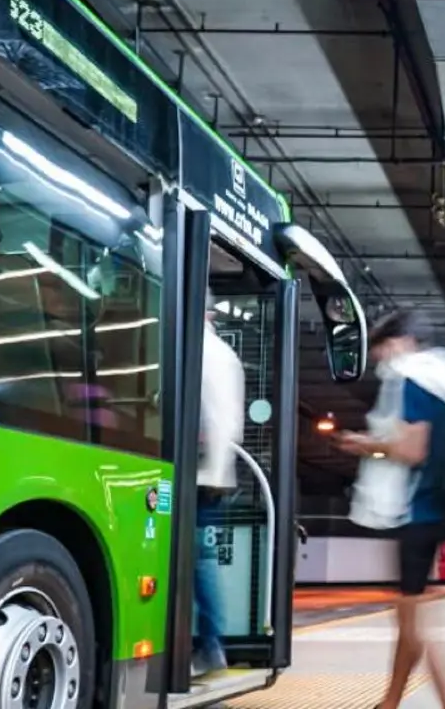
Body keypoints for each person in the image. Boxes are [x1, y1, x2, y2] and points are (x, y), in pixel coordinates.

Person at [337, 310, 445, 709]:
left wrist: (367, 445)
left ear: (397, 344)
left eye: (380, 355)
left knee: (408, 621)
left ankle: (395, 703)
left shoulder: (414, 382)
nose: (381, 365)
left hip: (416, 514)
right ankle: (432, 702)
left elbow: (412, 451)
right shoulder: (438, 381)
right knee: (411, 619)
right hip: (431, 511)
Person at [192, 288, 245, 677]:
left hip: (198, 475)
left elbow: (209, 421)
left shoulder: (200, 351)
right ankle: (209, 646)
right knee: (201, 562)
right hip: (214, 474)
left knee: (198, 563)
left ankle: (209, 647)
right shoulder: (226, 356)